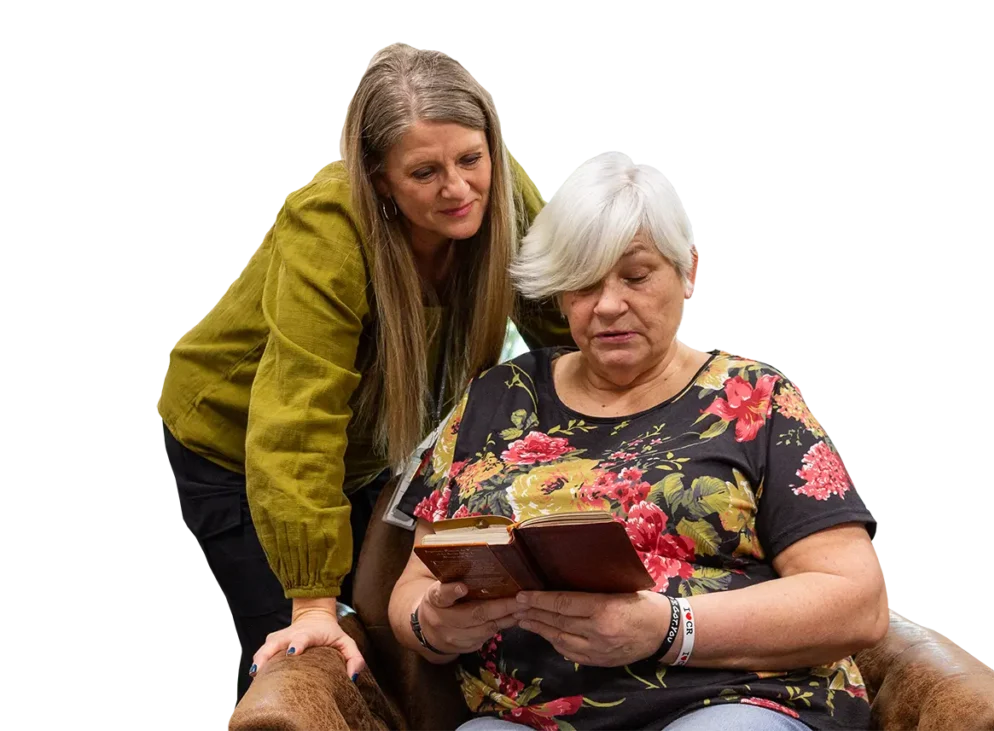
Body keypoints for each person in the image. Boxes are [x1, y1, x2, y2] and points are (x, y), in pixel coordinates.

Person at [390, 151, 886, 730]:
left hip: (732, 700)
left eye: (635, 275)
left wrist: (671, 628)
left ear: (688, 269)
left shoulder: (754, 400)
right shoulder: (496, 397)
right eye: (583, 282)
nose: (606, 305)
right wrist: (433, 626)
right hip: (526, 719)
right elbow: (415, 585)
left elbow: (856, 601)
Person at [157, 43, 571, 702]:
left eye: (470, 159)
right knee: (302, 657)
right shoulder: (329, 226)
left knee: (387, 633)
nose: (459, 187)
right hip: (236, 450)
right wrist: (315, 606)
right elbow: (298, 422)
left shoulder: (500, 187)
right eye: (425, 172)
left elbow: (569, 313)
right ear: (379, 178)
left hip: (370, 445)